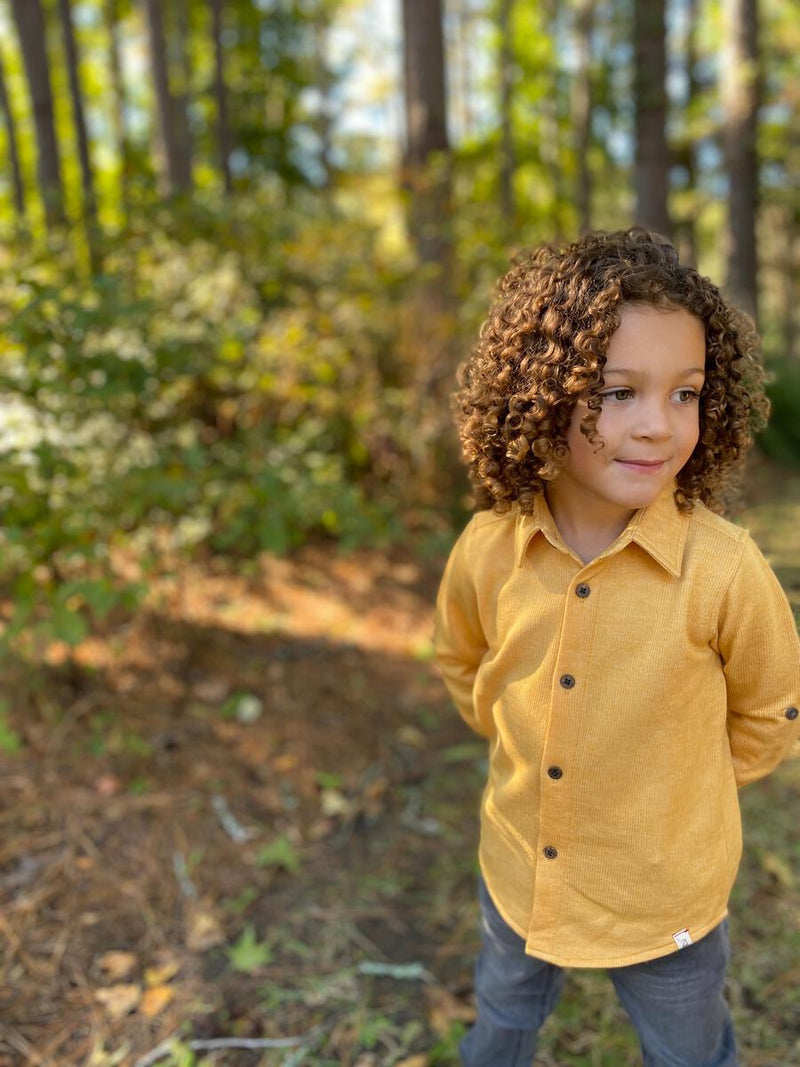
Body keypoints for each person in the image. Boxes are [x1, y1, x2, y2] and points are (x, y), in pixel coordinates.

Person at [433, 229, 800, 1067]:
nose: (658, 426)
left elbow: (771, 709)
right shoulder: (491, 548)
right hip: (522, 871)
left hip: (662, 897)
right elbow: (462, 657)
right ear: (539, 391)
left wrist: (684, 784)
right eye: (618, 391)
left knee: (690, 1048)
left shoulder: (723, 570)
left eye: (685, 394)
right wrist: (511, 731)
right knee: (501, 1022)